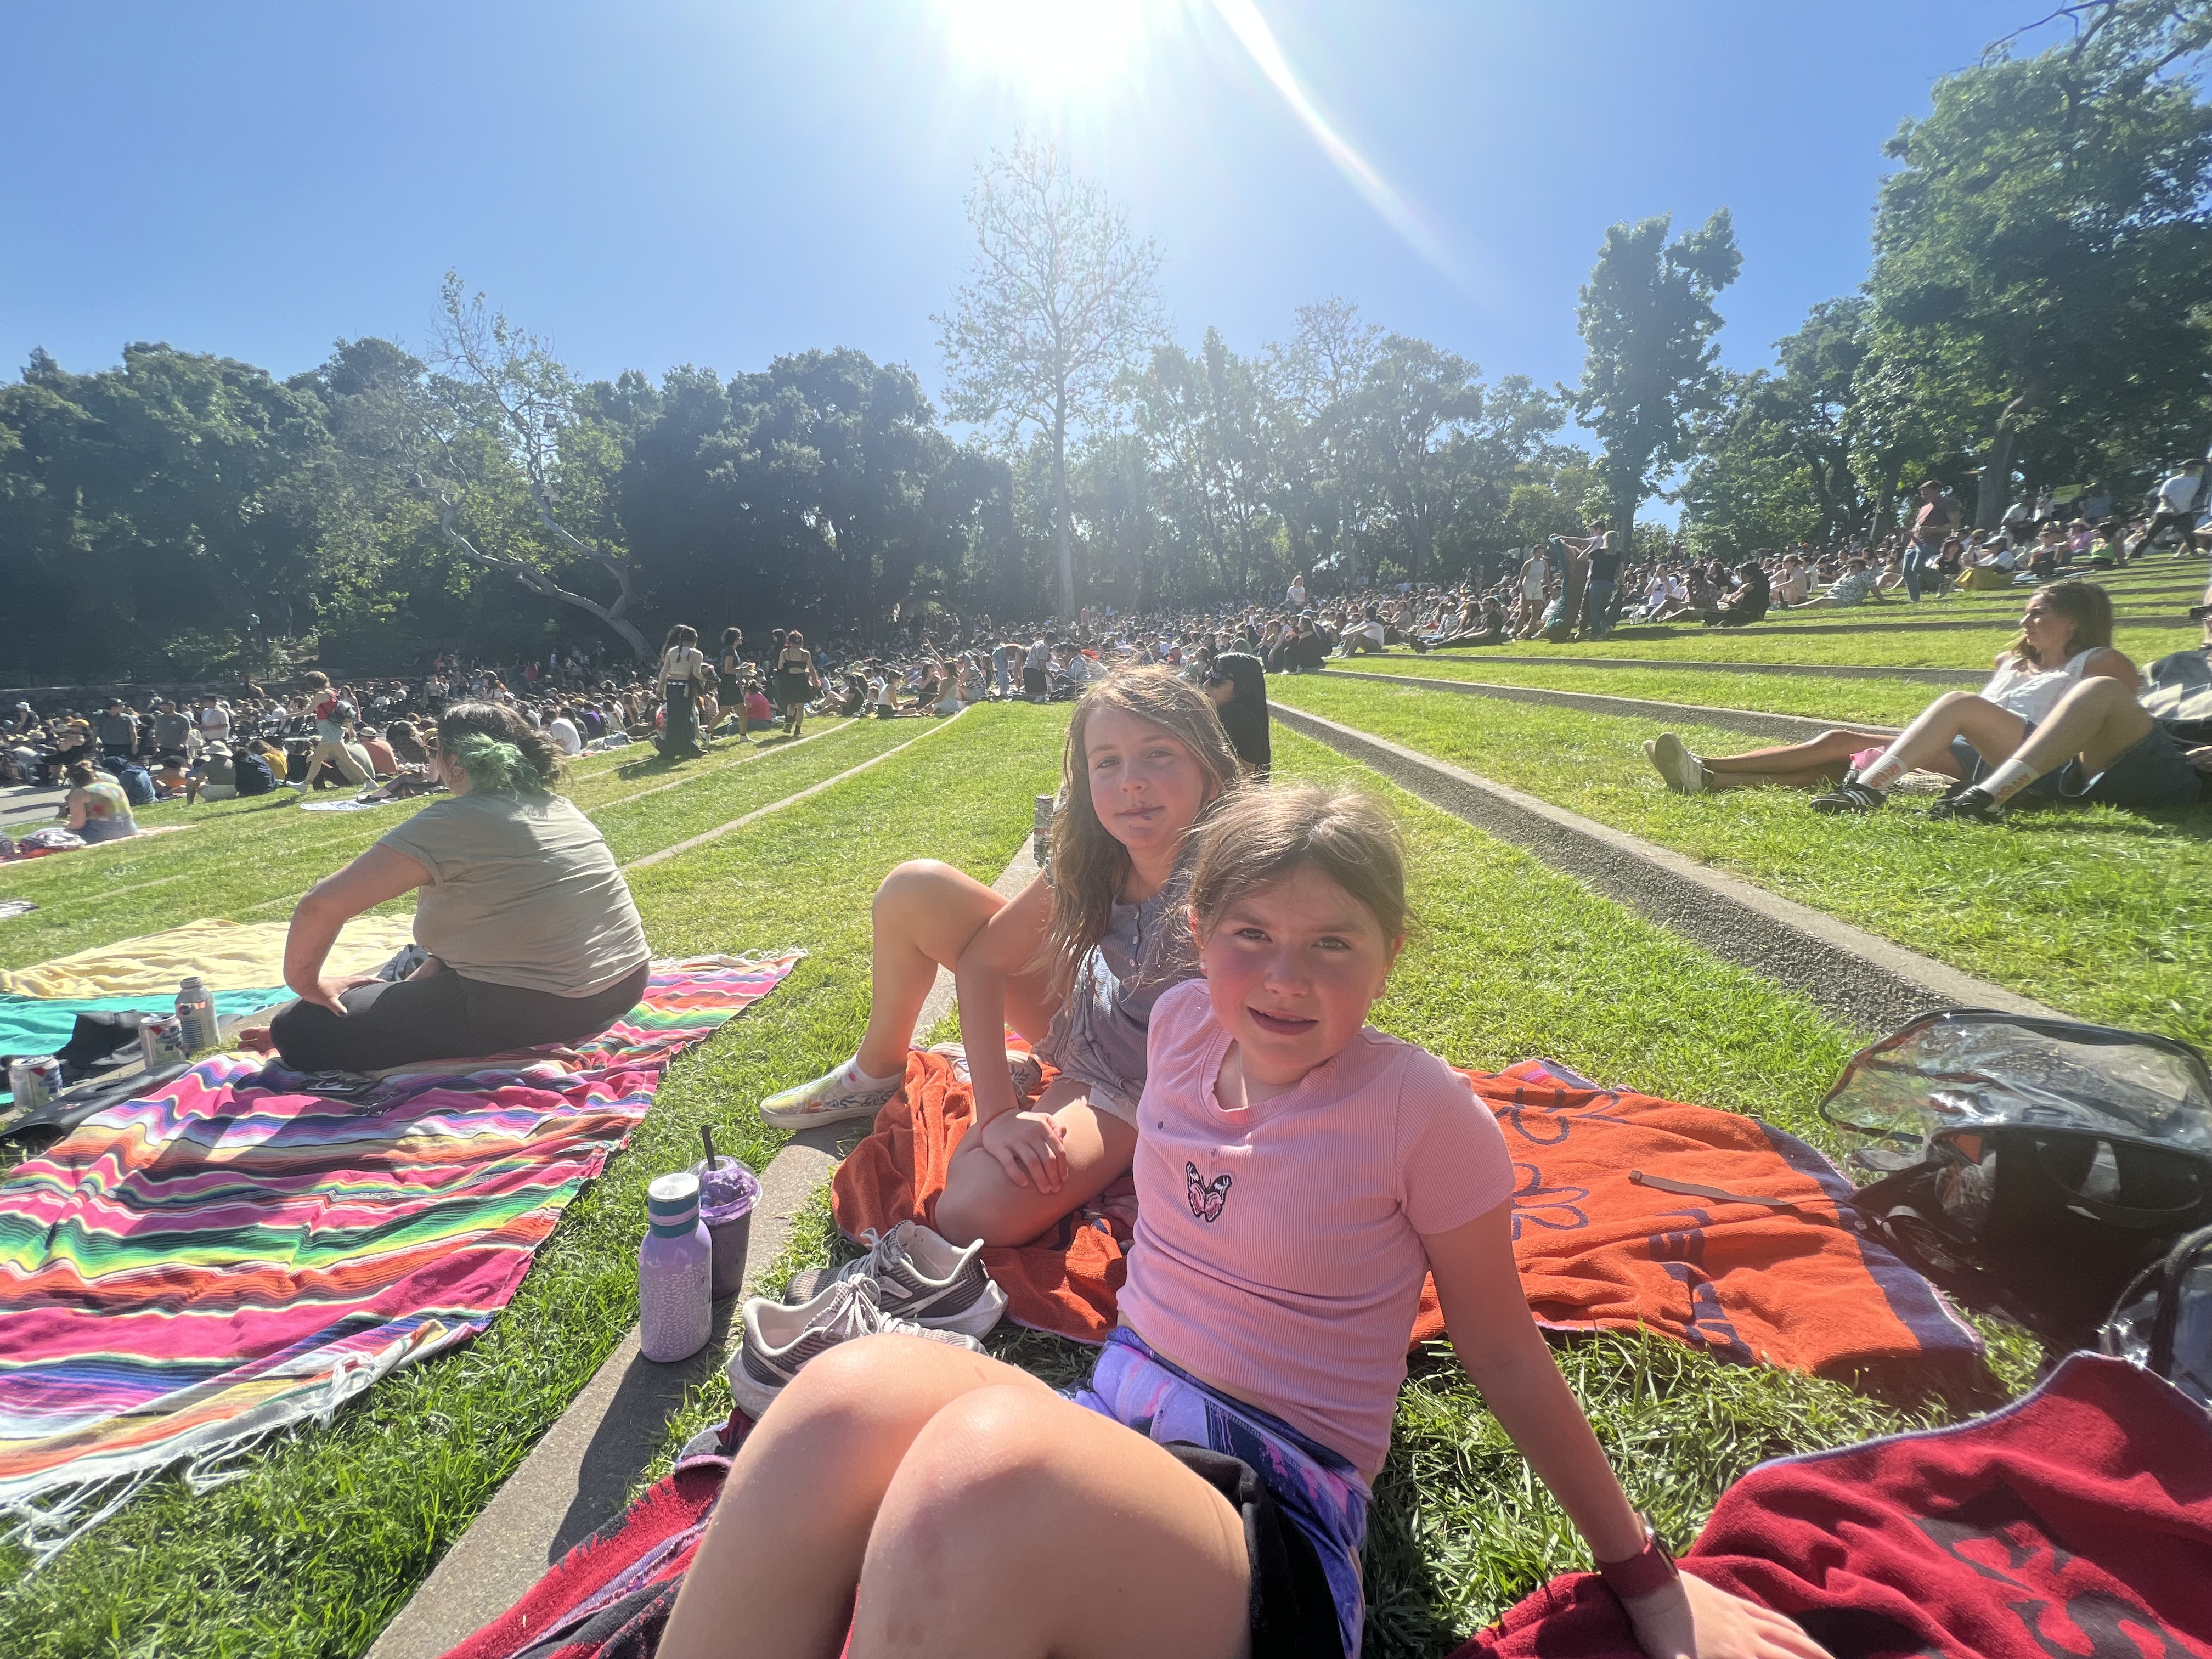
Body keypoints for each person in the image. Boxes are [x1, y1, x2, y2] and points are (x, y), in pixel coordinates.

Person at [663, 787, 1822, 1659]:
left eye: (1333, 944)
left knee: (978, 1472)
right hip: (1113, 1419)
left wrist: (1645, 1574)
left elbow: (1504, 1349)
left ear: (1390, 954)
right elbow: (1006, 977)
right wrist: (1010, 1118)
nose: (1285, 980)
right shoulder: (1175, 1032)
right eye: (1250, 938)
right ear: (1198, 933)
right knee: (842, 1394)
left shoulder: (1424, 1113)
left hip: (1272, 1518)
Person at [755, 670, 1243, 1248]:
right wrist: (996, 1113)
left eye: (1158, 754)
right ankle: (876, 1071)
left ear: (1209, 771)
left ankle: (1022, 1082)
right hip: (1083, 1021)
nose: (1131, 782)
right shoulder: (1094, 853)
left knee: (973, 1209)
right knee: (915, 889)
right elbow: (983, 961)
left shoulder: (1238, 875)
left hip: (1139, 1083)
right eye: (1107, 762)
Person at [269, 701, 652, 1073]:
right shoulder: (555, 805)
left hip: (539, 1008)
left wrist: (308, 983)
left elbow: (321, 905)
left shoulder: (452, 821)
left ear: (453, 761)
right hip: (622, 985)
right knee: (402, 978)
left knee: (297, 1027)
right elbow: (506, 924)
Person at [1643, 582, 2134, 801]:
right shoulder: (2009, 662)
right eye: (2026, 612)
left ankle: (1704, 766)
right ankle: (1710, 777)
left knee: (1958, 705)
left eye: (2037, 613)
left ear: (2072, 622)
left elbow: (2114, 727)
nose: (2025, 621)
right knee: (1839, 747)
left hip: (2028, 753)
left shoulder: (2100, 662)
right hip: (1970, 746)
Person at [1203, 651, 1271, 778]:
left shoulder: (1237, 715)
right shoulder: (1237, 713)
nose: (1206, 685)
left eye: (1216, 679)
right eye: (1208, 677)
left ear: (1243, 687)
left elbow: (1244, 779)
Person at [657, 625, 712, 759]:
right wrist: (707, 679)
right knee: (688, 718)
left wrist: (659, 688)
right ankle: (691, 748)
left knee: (674, 719)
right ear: (695, 639)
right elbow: (696, 673)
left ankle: (670, 749)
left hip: (671, 687)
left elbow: (665, 671)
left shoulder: (673, 651)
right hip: (685, 688)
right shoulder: (696, 654)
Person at [1902, 479, 1958, 601]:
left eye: (1926, 493)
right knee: (1907, 572)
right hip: (1914, 542)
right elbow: (1918, 527)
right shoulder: (1924, 508)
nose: (1923, 496)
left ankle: (1945, 581)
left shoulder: (1948, 503)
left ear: (1937, 491)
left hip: (1931, 541)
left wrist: (1932, 530)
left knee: (1917, 568)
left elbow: (1955, 525)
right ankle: (1915, 601)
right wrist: (1909, 532)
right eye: (1922, 493)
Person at [61, 759, 138, 843]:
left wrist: (68, 826)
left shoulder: (79, 793)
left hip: (103, 833)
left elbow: (78, 824)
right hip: (130, 829)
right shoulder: (115, 787)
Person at [772, 630, 816, 737]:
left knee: (791, 703)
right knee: (800, 706)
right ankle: (798, 729)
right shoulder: (805, 654)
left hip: (789, 680)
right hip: (801, 680)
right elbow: (811, 669)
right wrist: (815, 681)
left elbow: (780, 667)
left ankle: (789, 718)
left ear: (790, 641)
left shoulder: (785, 652)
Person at [1700, 562, 1770, 628]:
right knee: (1719, 612)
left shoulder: (1759, 583)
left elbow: (1746, 589)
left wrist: (1741, 589)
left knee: (1732, 613)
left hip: (1754, 615)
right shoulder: (1758, 582)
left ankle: (1714, 620)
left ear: (1745, 574)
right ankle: (1714, 620)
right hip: (1745, 612)